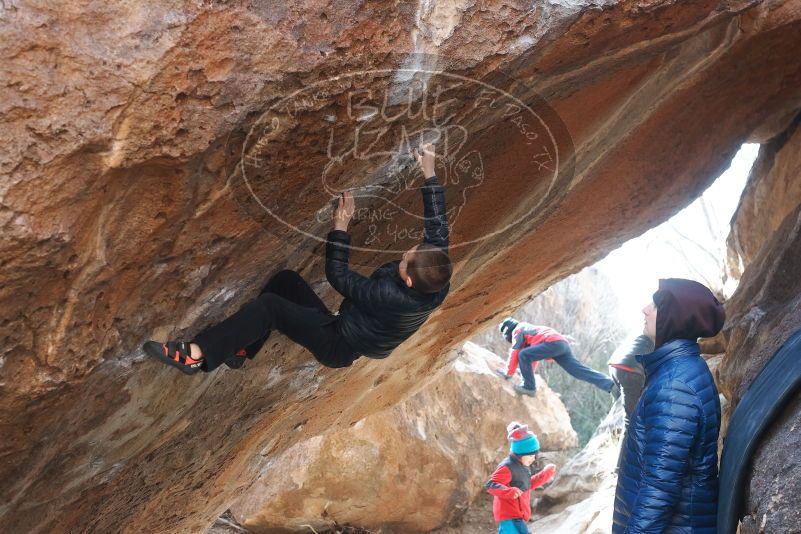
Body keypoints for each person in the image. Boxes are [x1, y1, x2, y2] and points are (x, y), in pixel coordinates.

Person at [142, 143, 452, 374]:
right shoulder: (434, 275)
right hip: (345, 329)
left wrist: (341, 227)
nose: (406, 252)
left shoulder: (388, 296)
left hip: (337, 343)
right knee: (284, 282)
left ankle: (197, 354)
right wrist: (429, 171)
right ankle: (240, 348)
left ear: (408, 279)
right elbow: (437, 225)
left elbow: (338, 276)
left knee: (271, 308)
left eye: (405, 259)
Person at [613, 278, 725, 534]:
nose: (645, 309)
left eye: (656, 304)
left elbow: (659, 487)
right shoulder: (679, 371)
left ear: (674, 318)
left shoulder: (674, 387)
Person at [495, 318, 615, 397]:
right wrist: (526, 373)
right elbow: (533, 358)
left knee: (523, 354)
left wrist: (508, 373)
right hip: (561, 344)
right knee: (579, 371)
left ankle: (529, 387)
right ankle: (611, 385)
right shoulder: (529, 328)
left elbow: (515, 352)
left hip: (553, 343)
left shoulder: (518, 330)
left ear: (508, 332)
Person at [486, 422, 557, 534]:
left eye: (534, 455)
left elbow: (528, 484)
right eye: (530, 455)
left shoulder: (523, 466)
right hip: (509, 514)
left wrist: (546, 474)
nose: (533, 459)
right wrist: (509, 491)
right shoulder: (507, 467)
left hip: (517, 515)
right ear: (521, 452)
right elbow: (491, 485)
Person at [607, 334, 654, 469]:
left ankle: (622, 459)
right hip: (630, 369)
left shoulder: (645, 330)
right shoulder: (664, 329)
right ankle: (621, 468)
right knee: (632, 422)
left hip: (615, 365)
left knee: (628, 417)